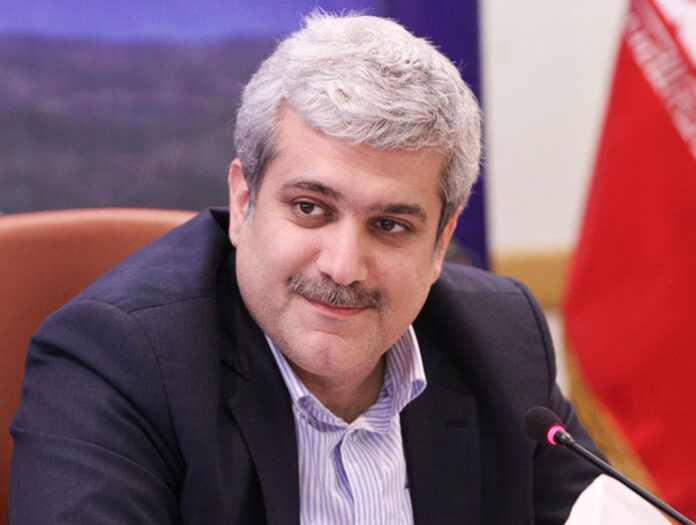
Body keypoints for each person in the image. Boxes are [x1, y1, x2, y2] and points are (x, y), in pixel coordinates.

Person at [10, 12, 601, 524]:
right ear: (244, 201)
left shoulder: (503, 342)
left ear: (441, 242)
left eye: (390, 225)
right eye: (310, 209)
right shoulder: (115, 361)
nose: (343, 267)